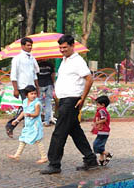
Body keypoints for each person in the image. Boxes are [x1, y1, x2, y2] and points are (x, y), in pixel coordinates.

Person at [39, 35, 98, 175]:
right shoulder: (65, 60)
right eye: (60, 47)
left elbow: (89, 79)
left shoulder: (78, 61)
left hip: (72, 100)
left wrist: (82, 98)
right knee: (75, 131)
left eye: (65, 47)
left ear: (72, 46)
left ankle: (54, 163)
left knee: (59, 132)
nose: (62, 50)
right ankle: (90, 159)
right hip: (65, 100)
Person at [8, 36, 39, 138]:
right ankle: (12, 125)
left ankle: (25, 128)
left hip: (31, 86)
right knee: (28, 108)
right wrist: (15, 89)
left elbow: (34, 73)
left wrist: (37, 87)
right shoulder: (17, 58)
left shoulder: (32, 58)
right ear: (22, 46)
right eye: (28, 45)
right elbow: (13, 75)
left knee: (29, 108)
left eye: (31, 45)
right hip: (22, 87)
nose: (30, 47)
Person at [10, 86, 44, 161]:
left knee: (38, 140)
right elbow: (23, 112)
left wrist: (29, 115)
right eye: (31, 94)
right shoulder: (25, 102)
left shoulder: (37, 103)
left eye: (35, 93)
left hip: (35, 125)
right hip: (28, 125)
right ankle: (17, 155)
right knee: (23, 139)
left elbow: (37, 114)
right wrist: (17, 120)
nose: (33, 95)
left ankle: (44, 157)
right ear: (26, 95)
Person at [91, 94, 112, 166]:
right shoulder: (102, 110)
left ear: (102, 104)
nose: (96, 106)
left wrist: (96, 123)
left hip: (103, 131)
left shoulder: (101, 111)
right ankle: (102, 161)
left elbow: (104, 119)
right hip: (103, 131)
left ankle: (107, 154)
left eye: (97, 104)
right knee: (100, 146)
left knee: (96, 145)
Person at [36, 58, 56, 126]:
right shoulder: (50, 65)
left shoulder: (37, 65)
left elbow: (35, 76)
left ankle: (39, 120)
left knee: (39, 103)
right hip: (49, 84)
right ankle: (47, 121)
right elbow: (53, 75)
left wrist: (36, 86)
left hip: (39, 85)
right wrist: (53, 83)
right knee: (48, 102)